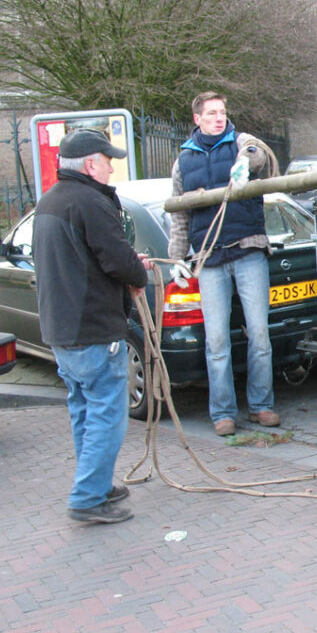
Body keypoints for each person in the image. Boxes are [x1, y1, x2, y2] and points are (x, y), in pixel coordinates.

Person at [32, 128, 152, 524]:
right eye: (108, 161)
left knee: (83, 410)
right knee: (106, 414)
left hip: (60, 327)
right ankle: (87, 497)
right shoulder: (90, 202)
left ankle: (95, 484)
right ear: (90, 164)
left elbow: (87, 255)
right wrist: (138, 271)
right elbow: (116, 259)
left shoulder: (50, 201)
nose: (111, 168)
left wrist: (126, 264)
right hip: (92, 327)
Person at [168, 92, 279, 437]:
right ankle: (223, 412)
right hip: (210, 258)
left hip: (247, 250)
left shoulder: (241, 142)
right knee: (216, 341)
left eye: (222, 112)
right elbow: (180, 216)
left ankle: (261, 406)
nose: (219, 117)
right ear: (197, 118)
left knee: (259, 333)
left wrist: (246, 162)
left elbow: (260, 154)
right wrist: (176, 258)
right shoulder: (183, 160)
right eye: (212, 113)